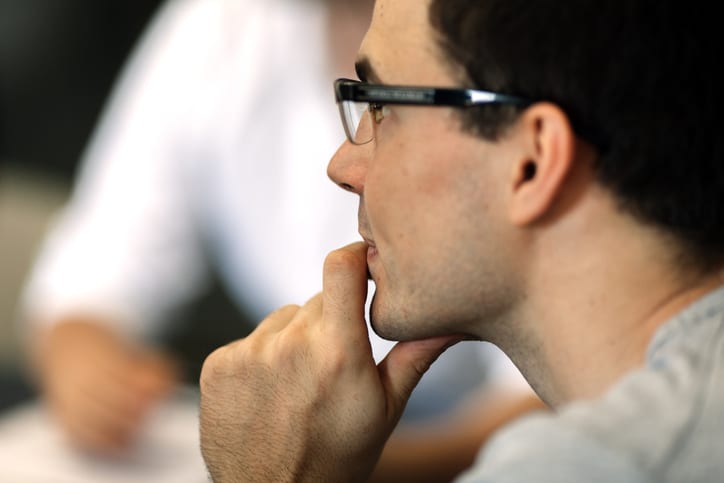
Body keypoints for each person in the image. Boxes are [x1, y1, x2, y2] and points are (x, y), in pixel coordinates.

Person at [197, 0, 724, 481]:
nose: (342, 167)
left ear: (531, 162)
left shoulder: (588, 467)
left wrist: (271, 474)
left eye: (381, 107)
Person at [18, 0, 540, 480]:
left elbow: (564, 391)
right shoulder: (225, 24)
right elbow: (94, 265)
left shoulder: (506, 39)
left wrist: (320, 464)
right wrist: (88, 366)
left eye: (387, 111)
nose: (339, 166)